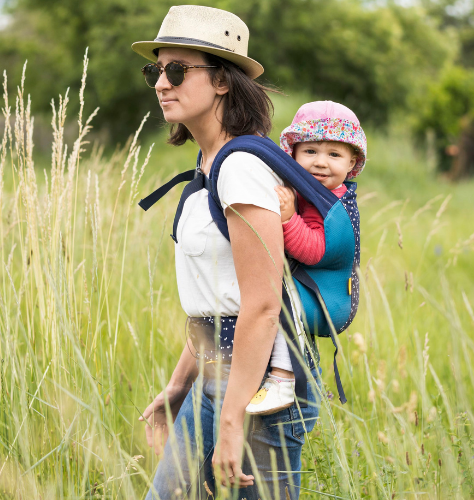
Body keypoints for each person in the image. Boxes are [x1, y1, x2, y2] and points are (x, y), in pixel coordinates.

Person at [132, 5, 321, 499]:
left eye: (177, 70)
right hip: (218, 373)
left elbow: (261, 305)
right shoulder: (210, 163)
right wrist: (179, 385)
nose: (161, 83)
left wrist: (233, 417)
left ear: (222, 81)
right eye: (156, 70)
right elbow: (221, 299)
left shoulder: (240, 168)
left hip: (258, 388)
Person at [245, 101, 366, 416]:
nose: (320, 163)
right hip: (313, 287)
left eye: (334, 154)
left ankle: (284, 377)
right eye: (310, 151)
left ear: (352, 162)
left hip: (324, 296)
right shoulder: (308, 191)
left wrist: (288, 220)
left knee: (279, 300)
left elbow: (315, 251)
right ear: (293, 154)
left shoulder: (333, 202)